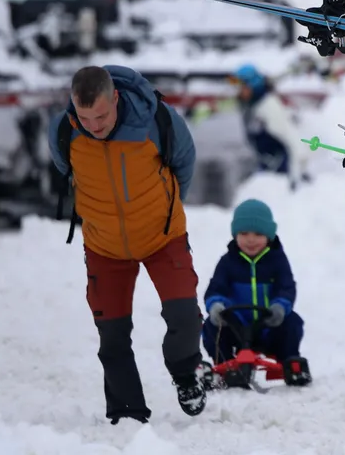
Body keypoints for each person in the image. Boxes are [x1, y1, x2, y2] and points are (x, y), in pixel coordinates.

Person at [47, 64, 208, 424]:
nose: (94, 125)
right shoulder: (63, 130)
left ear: (116, 98)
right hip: (104, 246)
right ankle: (126, 413)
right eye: (85, 117)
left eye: (101, 115)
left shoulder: (155, 119)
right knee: (113, 335)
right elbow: (64, 169)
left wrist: (160, 207)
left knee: (184, 317)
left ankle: (186, 375)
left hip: (162, 237)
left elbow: (184, 163)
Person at [201, 199, 311, 388]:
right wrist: (217, 306)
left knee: (293, 322)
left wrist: (279, 307)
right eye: (244, 234)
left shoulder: (277, 261)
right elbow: (215, 288)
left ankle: (289, 361)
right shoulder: (227, 262)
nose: (251, 240)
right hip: (236, 326)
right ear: (235, 234)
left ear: (269, 236)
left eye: (258, 234)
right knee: (210, 326)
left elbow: (287, 287)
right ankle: (224, 363)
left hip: (268, 326)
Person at [232, 63, 311, 190]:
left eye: (242, 87)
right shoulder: (253, 106)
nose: (239, 92)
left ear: (252, 86)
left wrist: (296, 177)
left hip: (281, 175)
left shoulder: (268, 107)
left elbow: (293, 139)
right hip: (267, 167)